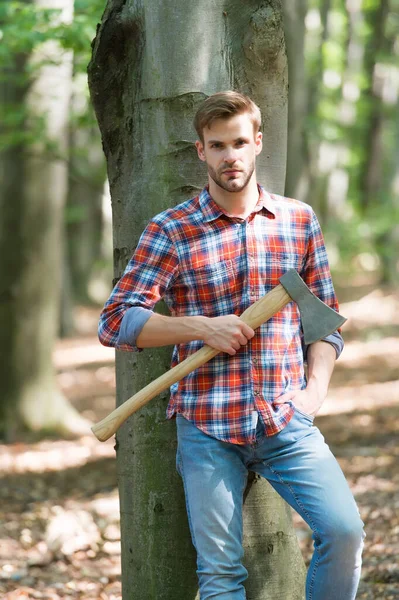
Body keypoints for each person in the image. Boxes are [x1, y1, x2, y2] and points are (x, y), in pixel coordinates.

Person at [98, 91, 365, 600]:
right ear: (201, 151)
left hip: (284, 416)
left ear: (258, 142)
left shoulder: (298, 221)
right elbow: (115, 321)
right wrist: (201, 327)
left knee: (344, 532)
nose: (230, 156)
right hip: (207, 427)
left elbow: (325, 323)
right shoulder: (172, 230)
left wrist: (314, 392)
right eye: (217, 145)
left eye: (240, 142)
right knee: (221, 577)